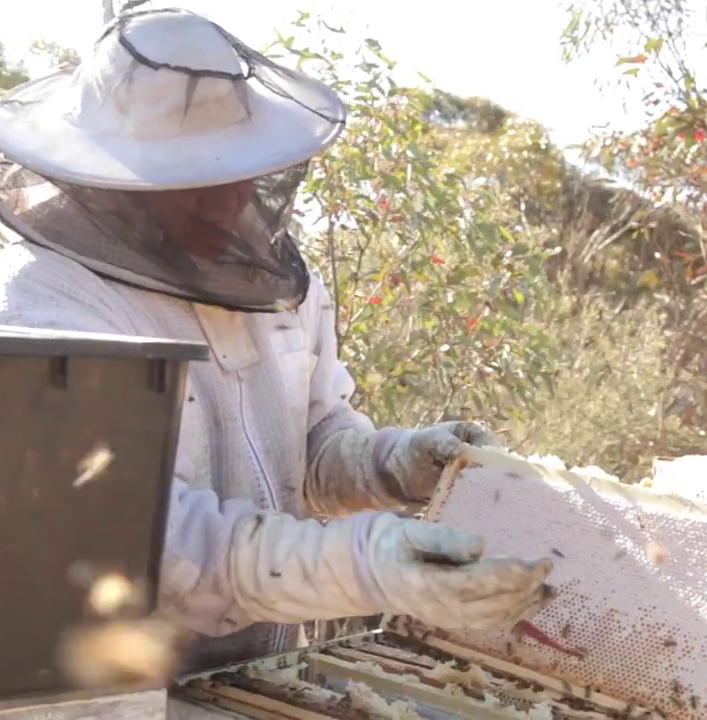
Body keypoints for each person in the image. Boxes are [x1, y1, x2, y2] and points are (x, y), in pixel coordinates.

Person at [0, 7, 554, 677]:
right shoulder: (43, 304)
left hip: (259, 670)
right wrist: (361, 564)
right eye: (191, 180)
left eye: (236, 167)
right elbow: (130, 538)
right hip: (102, 685)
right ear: (110, 177)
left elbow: (308, 451)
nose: (228, 201)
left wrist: (398, 463)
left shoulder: (277, 285)